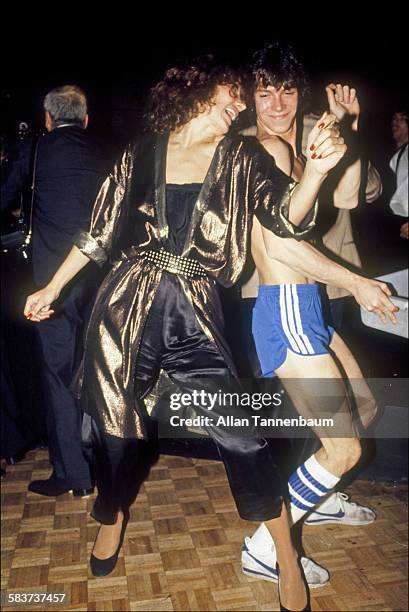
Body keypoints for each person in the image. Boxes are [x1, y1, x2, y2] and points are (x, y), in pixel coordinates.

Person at [23, 57, 358, 610]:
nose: (241, 107)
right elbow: (98, 230)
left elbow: (286, 216)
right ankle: (111, 511)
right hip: (126, 302)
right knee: (108, 430)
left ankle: (283, 551)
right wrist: (53, 289)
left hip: (194, 312)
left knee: (242, 436)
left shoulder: (243, 155)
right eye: (231, 96)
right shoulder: (143, 151)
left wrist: (318, 172)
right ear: (194, 93)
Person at [240, 42, 398, 587]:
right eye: (265, 91)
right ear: (249, 96)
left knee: (366, 406)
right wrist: (355, 280)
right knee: (344, 445)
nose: (278, 102)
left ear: (299, 93)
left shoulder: (293, 145)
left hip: (308, 307)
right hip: (284, 306)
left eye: (286, 90)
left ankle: (319, 498)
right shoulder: (259, 150)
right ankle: (265, 547)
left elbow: (351, 197)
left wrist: (345, 130)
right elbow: (278, 245)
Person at [1, 85, 107, 497]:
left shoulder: (37, 149)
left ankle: (75, 475)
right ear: (85, 117)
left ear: (47, 118)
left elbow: (5, 194)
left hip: (52, 285)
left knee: (59, 377)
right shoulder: (104, 150)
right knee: (96, 372)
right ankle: (106, 462)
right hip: (98, 277)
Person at [389, 111, 408, 239]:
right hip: (395, 224)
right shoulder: (396, 154)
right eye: (394, 118)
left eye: (402, 119)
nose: (396, 122)